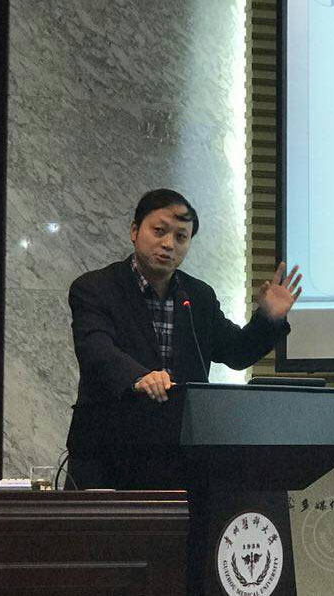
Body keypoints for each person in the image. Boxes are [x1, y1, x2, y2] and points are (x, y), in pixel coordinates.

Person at [65, 188, 302, 489]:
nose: (168, 244)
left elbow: (236, 352)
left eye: (180, 237)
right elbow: (96, 349)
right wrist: (138, 377)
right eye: (159, 231)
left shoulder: (198, 296)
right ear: (135, 231)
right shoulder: (95, 287)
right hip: (107, 455)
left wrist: (268, 318)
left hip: (178, 460)